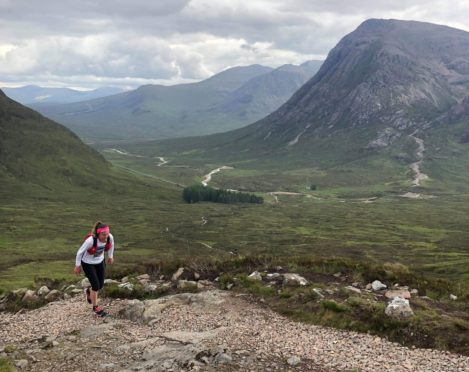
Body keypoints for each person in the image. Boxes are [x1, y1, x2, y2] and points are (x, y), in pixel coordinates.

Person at [74, 221, 114, 316]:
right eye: (103, 235)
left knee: (100, 285)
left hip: (100, 261)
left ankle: (89, 291)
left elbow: (112, 245)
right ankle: (95, 307)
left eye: (107, 234)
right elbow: (80, 252)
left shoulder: (110, 237)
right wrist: (77, 265)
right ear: (98, 234)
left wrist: (110, 256)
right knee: (96, 286)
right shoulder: (91, 241)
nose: (106, 237)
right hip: (88, 263)